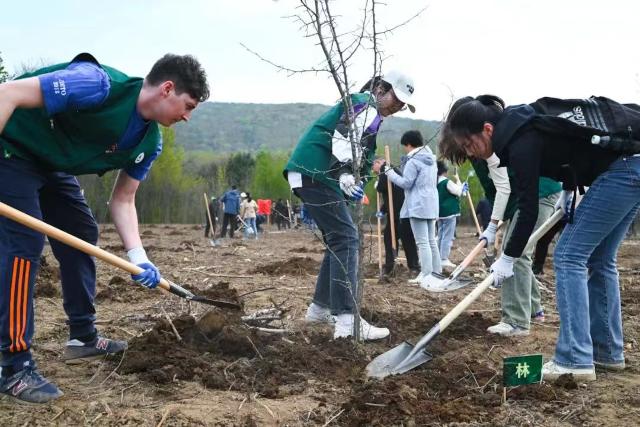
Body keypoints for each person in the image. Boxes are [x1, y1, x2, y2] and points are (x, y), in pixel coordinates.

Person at [0, 52, 209, 403]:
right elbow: (7, 93)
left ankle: (82, 336)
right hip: (12, 150)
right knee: (25, 242)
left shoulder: (149, 143)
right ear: (167, 89)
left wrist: (139, 257)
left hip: (51, 165)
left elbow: (123, 201)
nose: (187, 117)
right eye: (187, 106)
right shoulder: (95, 84)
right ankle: (13, 365)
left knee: (82, 232)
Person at [440, 94, 638, 381]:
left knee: (569, 256)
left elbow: (528, 208)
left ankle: (574, 359)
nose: (470, 152)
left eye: (469, 144)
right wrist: (569, 191)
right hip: (632, 165)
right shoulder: (525, 123)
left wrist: (507, 258)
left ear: (487, 129)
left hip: (622, 170)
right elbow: (568, 153)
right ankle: (607, 352)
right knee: (600, 258)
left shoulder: (520, 140)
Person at [284, 70, 415, 340]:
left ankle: (319, 310)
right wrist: (344, 172)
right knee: (346, 238)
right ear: (380, 89)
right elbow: (345, 135)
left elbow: (358, 147)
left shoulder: (370, 111)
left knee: (338, 240)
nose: (397, 108)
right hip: (316, 172)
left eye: (402, 105)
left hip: (313, 173)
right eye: (396, 100)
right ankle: (346, 320)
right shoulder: (364, 104)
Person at [375, 130, 440, 289]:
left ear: (409, 144)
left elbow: (406, 183)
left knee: (423, 241)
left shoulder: (414, 161)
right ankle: (436, 272)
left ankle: (426, 275)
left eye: (405, 146)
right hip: (431, 202)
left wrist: (389, 172)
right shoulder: (431, 160)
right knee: (431, 241)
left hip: (418, 204)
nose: (405, 149)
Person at [373, 158, 420, 276]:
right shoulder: (389, 170)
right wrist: (383, 211)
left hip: (400, 213)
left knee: (405, 239)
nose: (372, 171)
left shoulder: (386, 169)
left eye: (372, 167)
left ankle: (411, 267)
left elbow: (381, 187)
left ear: (378, 162)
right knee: (391, 237)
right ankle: (393, 266)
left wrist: (377, 184)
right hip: (397, 212)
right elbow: (391, 195)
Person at [436, 160, 468, 268]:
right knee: (447, 236)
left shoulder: (435, 182)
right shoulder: (446, 182)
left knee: (440, 235)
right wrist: (463, 186)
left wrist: (459, 183)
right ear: (444, 171)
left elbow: (458, 190)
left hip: (439, 213)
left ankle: (438, 257)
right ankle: (443, 258)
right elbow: (459, 192)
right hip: (449, 213)